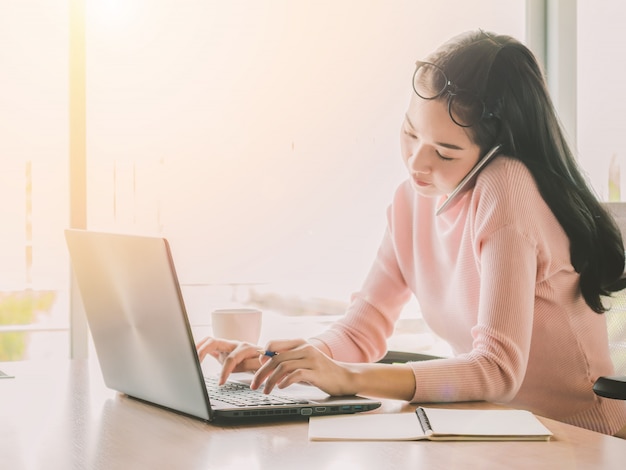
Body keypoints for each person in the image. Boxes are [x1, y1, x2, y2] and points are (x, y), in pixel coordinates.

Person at [196, 30, 626, 436]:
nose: (417, 164)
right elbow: (361, 331)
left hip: (580, 435)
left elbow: (496, 371)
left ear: (497, 150)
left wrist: (344, 377)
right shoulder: (412, 200)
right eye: (410, 133)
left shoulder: (506, 184)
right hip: (500, 430)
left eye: (445, 151)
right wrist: (291, 362)